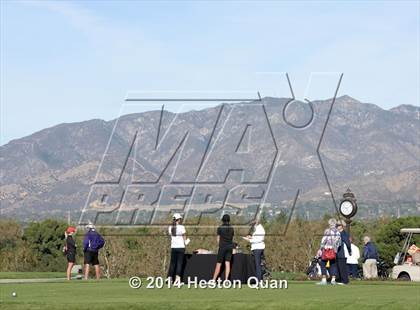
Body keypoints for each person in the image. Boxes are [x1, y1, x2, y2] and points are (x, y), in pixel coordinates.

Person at [317, 218, 341, 285]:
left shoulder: (327, 231)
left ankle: (324, 279)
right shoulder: (338, 232)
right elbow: (339, 243)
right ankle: (333, 280)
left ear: (329, 224)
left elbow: (323, 240)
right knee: (333, 265)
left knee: (323, 264)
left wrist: (321, 248)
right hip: (334, 251)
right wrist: (335, 249)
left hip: (326, 250)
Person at [212, 214, 234, 282]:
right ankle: (226, 280)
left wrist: (220, 245)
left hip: (222, 247)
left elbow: (218, 239)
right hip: (230, 247)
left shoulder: (220, 228)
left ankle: (213, 280)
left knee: (219, 263)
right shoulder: (232, 228)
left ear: (223, 220)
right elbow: (232, 238)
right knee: (227, 263)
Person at [167, 213, 187, 283]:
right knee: (179, 263)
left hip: (173, 247)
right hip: (181, 247)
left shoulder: (170, 227)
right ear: (178, 219)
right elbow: (184, 236)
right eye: (180, 219)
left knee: (172, 263)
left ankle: (169, 278)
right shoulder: (182, 227)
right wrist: (186, 242)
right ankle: (177, 279)